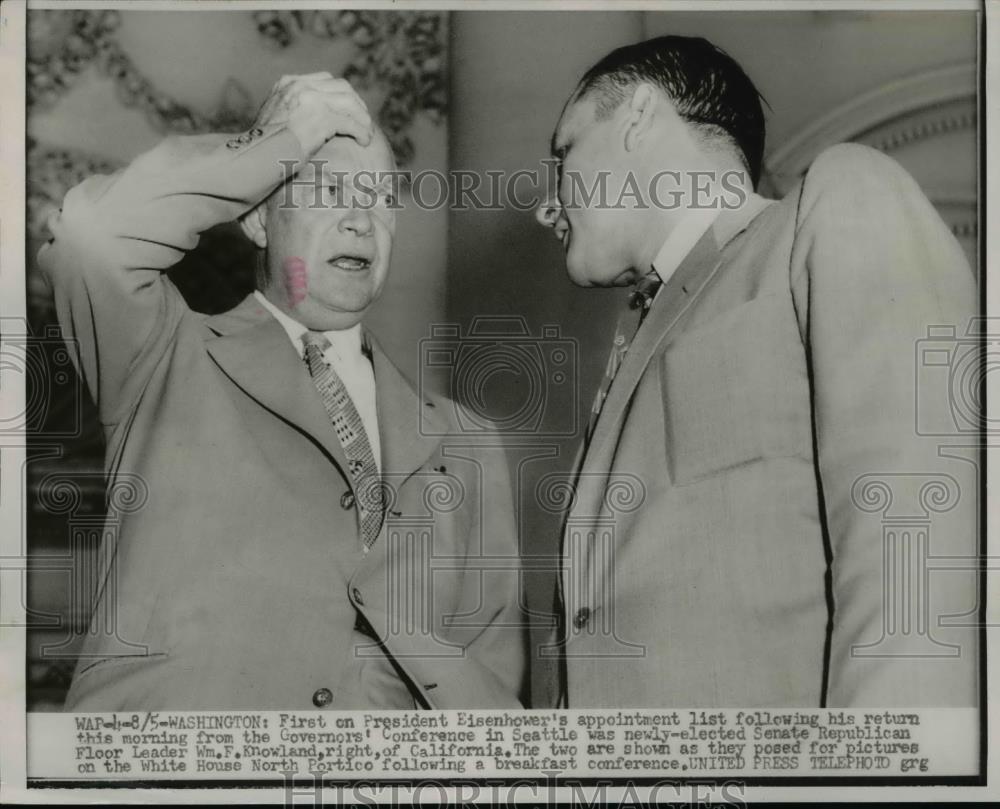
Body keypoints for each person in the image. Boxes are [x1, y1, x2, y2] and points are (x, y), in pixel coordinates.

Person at [39, 73, 526, 711]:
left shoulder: (465, 441)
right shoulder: (161, 358)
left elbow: (488, 681)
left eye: (380, 198)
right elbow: (92, 236)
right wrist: (283, 142)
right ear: (258, 218)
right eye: (328, 191)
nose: (360, 221)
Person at [536, 36, 978, 707]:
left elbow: (916, 550)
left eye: (563, 153)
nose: (546, 204)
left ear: (638, 116)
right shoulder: (637, 339)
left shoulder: (836, 203)